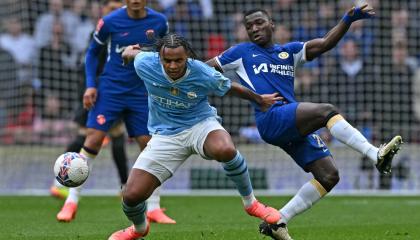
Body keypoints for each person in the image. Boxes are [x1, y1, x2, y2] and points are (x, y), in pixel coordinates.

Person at [206, 4, 403, 240]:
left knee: (329, 176)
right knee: (326, 111)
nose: (254, 29)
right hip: (271, 118)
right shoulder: (241, 52)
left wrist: (348, 19)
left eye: (259, 23)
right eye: (249, 26)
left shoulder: (289, 51)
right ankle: (375, 155)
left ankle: (278, 221)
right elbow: (205, 71)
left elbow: (325, 43)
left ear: (272, 25)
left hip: (290, 122)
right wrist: (248, 95)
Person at [107, 33, 282, 240]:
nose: (173, 66)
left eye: (178, 60)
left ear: (187, 56)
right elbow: (132, 53)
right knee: (130, 196)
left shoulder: (201, 72)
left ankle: (251, 204)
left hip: (200, 125)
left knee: (225, 149)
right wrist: (129, 53)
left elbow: (231, 87)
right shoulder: (145, 63)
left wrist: (259, 99)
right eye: (167, 61)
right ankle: (139, 228)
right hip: (165, 135)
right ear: (159, 58)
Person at [56, 0, 175, 224]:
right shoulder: (110, 21)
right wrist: (91, 85)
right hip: (111, 89)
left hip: (141, 90)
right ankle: (70, 202)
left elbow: (165, 52)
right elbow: (92, 54)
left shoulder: (159, 22)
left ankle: (154, 207)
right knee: (93, 139)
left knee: (149, 145)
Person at [49, 0, 129, 201]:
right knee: (85, 138)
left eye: (117, 9)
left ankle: (125, 186)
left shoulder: (124, 33)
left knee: (116, 142)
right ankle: (59, 183)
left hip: (113, 93)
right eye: (110, 8)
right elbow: (90, 65)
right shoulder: (99, 34)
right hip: (95, 93)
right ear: (103, 11)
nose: (114, 12)